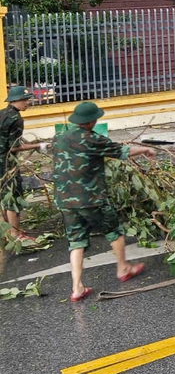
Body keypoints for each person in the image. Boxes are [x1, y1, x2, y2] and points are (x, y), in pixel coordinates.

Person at [51, 102, 155, 302]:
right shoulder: (93, 139)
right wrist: (145, 150)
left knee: (76, 241)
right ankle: (123, 268)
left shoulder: (59, 137)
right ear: (90, 121)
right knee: (113, 230)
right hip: (91, 199)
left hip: (65, 200)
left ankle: (77, 288)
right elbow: (121, 152)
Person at [0, 87, 46, 245]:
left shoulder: (2, 113)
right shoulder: (16, 118)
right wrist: (38, 146)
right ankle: (16, 234)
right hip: (6, 161)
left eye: (27, 99)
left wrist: (28, 142)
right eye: (24, 100)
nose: (27, 102)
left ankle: (9, 231)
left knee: (4, 193)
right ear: (14, 101)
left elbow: (9, 137)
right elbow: (13, 147)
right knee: (13, 195)